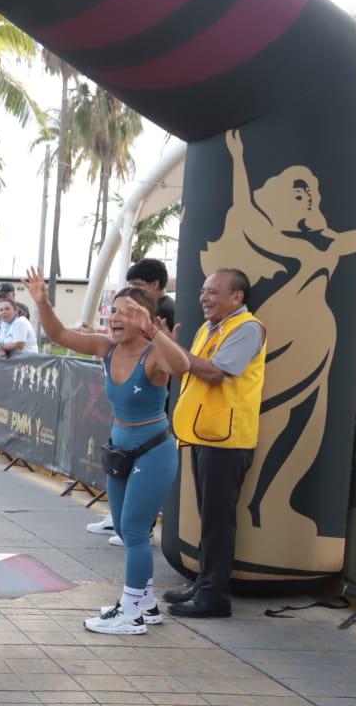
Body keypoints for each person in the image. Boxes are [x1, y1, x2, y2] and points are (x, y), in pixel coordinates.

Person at [27, 269, 189, 634]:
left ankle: (130, 612)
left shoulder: (154, 354)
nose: (115, 317)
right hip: (119, 451)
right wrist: (42, 301)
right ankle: (145, 604)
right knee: (124, 527)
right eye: (113, 310)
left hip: (154, 452)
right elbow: (59, 335)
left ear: (145, 318)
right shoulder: (107, 347)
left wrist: (156, 333)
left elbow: (182, 367)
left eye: (127, 311)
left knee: (133, 532)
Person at [165, 268, 266, 619]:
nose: (204, 297)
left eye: (213, 292)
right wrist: (174, 350)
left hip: (228, 440)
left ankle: (214, 596)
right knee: (210, 518)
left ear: (236, 297)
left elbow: (215, 372)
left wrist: (174, 350)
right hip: (204, 435)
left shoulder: (248, 328)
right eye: (203, 290)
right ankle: (203, 584)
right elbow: (187, 369)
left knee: (219, 521)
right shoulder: (211, 328)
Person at [126, 258, 176, 338]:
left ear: (155, 284)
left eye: (137, 285)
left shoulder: (160, 311)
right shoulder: (169, 306)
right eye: (131, 285)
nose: (132, 290)